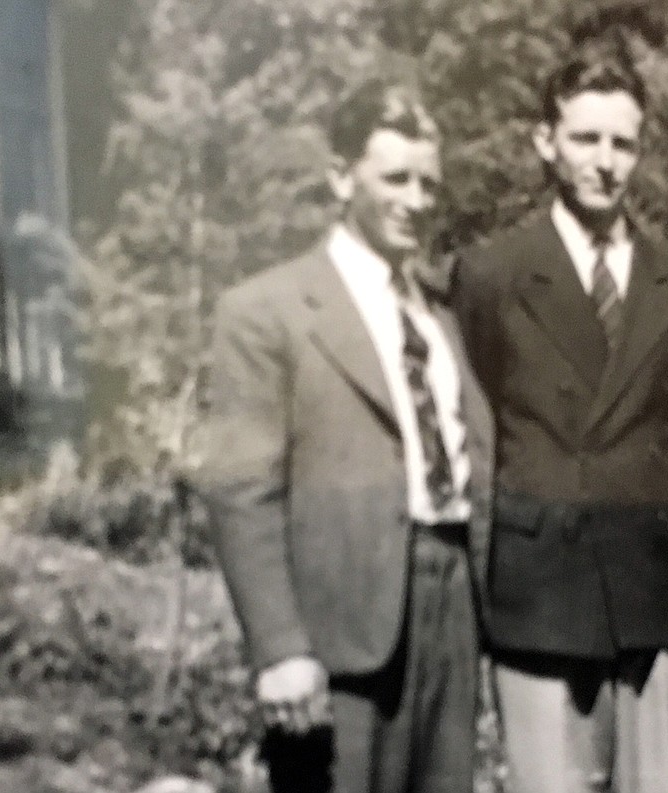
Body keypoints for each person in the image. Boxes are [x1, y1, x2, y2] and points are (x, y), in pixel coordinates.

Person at [195, 79, 493, 793]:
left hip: (451, 604)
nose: (417, 200)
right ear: (339, 176)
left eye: (429, 182)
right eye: (395, 177)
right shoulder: (267, 310)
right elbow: (241, 489)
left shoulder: (441, 313)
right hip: (337, 631)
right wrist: (278, 648)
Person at [453, 37, 668, 793]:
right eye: (586, 138)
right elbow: (478, 439)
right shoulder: (492, 273)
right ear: (546, 142)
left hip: (653, 593)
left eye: (623, 143)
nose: (606, 161)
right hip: (541, 596)